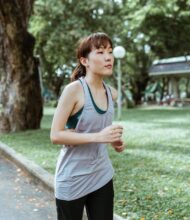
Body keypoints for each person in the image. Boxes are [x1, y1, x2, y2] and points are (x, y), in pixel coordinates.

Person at [50, 32, 126, 220]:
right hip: (72, 177)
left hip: (101, 174)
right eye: (100, 52)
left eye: (109, 51)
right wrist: (98, 136)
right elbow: (56, 135)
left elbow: (101, 129)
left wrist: (114, 140)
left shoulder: (111, 93)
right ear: (85, 61)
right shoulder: (74, 90)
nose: (108, 57)